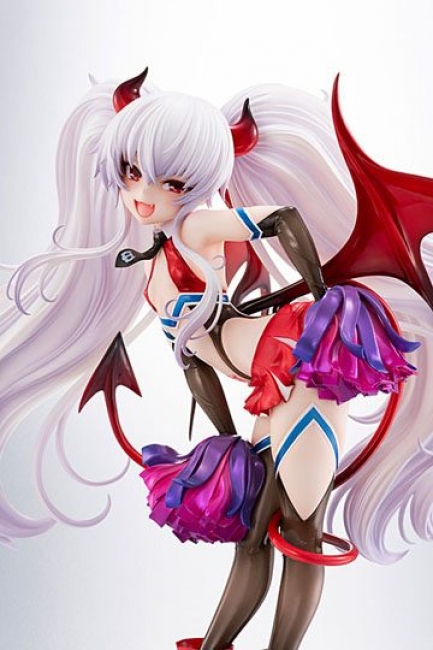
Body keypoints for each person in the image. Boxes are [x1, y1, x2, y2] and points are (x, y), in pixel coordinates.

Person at [2, 68, 433, 650]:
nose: (144, 194)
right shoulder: (153, 265)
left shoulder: (196, 227)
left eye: (172, 181)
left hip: (293, 366)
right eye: (131, 173)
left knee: (299, 530)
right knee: (253, 535)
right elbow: (195, 363)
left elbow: (283, 219)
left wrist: (322, 296)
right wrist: (226, 441)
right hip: (267, 384)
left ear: (199, 183)